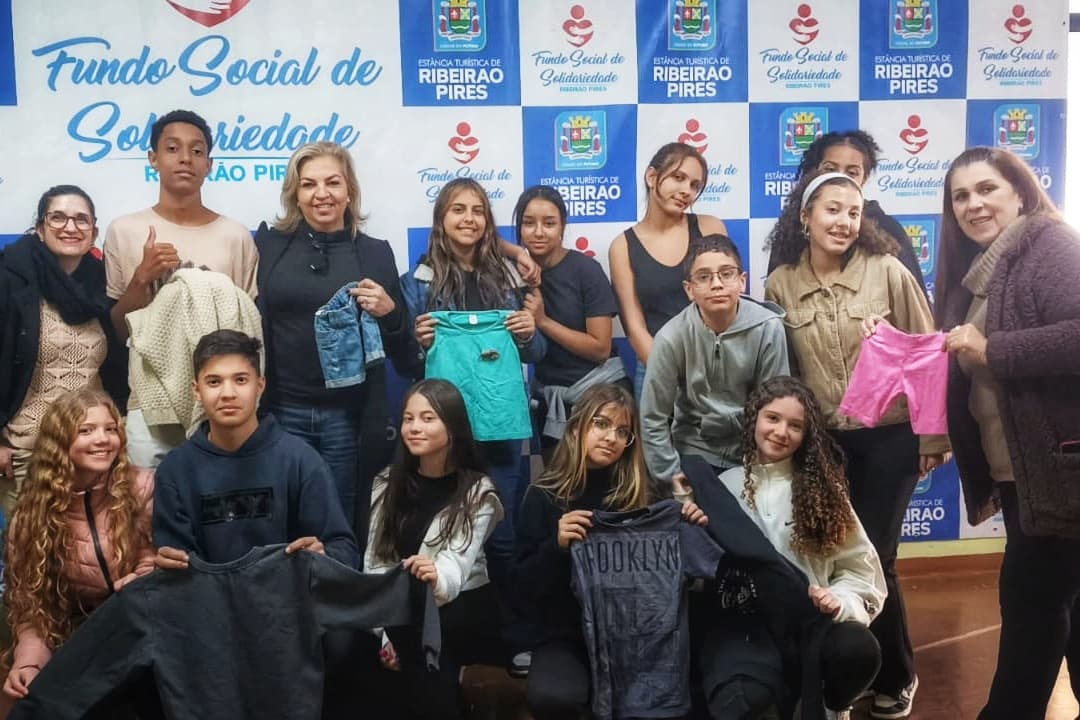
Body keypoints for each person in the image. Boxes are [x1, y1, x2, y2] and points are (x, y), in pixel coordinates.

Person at [765, 170, 950, 719]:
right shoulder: (781, 284)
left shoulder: (888, 270)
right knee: (829, 555)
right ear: (805, 217)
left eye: (854, 211)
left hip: (890, 437)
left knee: (876, 556)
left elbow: (927, 352)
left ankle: (896, 674)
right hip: (826, 442)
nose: (845, 221)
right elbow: (784, 372)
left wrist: (933, 435)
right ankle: (846, 673)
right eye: (833, 210)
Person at [936, 146, 1080, 720]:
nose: (972, 204)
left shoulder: (1049, 244)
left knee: (1030, 605)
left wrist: (994, 350)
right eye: (960, 196)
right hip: (1025, 471)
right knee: (1062, 603)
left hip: (1060, 470)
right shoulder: (981, 271)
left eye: (986, 188)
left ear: (1020, 191)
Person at [516, 383, 707, 720]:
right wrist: (556, 548)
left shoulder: (646, 497)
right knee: (551, 696)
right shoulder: (543, 495)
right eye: (601, 424)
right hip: (567, 636)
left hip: (637, 638)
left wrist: (689, 524)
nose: (611, 438)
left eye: (623, 432)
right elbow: (522, 589)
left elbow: (686, 576)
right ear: (576, 427)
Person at [400, 178, 546, 592]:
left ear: (488, 221)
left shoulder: (510, 277)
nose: (469, 219)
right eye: (458, 210)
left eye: (478, 210)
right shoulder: (418, 282)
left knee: (502, 534)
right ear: (441, 219)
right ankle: (451, 619)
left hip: (500, 425)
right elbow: (406, 362)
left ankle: (509, 625)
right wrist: (418, 343)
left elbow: (537, 353)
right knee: (443, 533)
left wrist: (529, 333)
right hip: (443, 430)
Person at [255, 141, 409, 533]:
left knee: (339, 522)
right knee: (283, 521)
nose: (321, 194)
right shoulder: (268, 246)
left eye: (332, 183)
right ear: (295, 194)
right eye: (309, 184)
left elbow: (406, 352)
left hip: (347, 416)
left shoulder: (375, 253)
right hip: (280, 411)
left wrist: (390, 312)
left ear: (349, 191)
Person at [716, 376, 885, 717]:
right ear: (754, 418)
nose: (781, 432)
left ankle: (835, 706)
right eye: (773, 418)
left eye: (796, 426)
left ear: (807, 434)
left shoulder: (825, 491)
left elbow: (862, 570)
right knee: (746, 698)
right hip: (751, 629)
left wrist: (839, 601)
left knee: (857, 649)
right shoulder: (724, 486)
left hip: (811, 625)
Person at [103, 109, 258, 468]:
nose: (185, 158)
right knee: (147, 500)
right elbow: (118, 329)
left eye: (197, 151)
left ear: (210, 164)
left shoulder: (236, 236)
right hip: (149, 404)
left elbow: (247, 329)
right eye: (172, 148)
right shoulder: (124, 230)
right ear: (153, 158)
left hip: (220, 404)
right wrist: (143, 277)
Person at [152, 330, 358, 569]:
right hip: (207, 593)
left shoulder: (301, 461)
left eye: (240, 380)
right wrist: (167, 567)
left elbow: (345, 551)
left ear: (260, 385)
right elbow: (174, 562)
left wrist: (324, 554)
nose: (228, 394)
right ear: (197, 390)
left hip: (286, 592)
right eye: (214, 382)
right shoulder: (174, 471)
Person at [363, 378, 503, 719]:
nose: (414, 427)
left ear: (452, 427)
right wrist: (385, 634)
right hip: (400, 606)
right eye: (408, 419)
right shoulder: (386, 482)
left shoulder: (478, 490)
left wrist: (434, 577)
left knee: (428, 640)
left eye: (428, 418)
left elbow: (456, 567)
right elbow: (376, 563)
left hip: (460, 601)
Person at [3, 388, 155, 700]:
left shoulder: (142, 486)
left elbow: (155, 556)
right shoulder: (32, 515)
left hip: (144, 623)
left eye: (110, 429)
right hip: (83, 636)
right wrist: (28, 662)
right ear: (59, 442)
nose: (102, 439)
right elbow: (32, 605)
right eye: (86, 431)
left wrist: (140, 581)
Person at [0, 186, 128, 518]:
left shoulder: (102, 286)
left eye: (81, 220)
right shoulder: (10, 279)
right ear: (40, 228)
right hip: (29, 451)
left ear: (94, 232)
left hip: (94, 450)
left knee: (93, 546)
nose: (70, 227)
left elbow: (116, 367)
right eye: (58, 217)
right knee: (33, 546)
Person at [640, 233, 788, 491]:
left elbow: (776, 410)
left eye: (726, 274)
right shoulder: (671, 337)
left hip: (752, 453)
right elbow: (652, 417)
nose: (717, 284)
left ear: (742, 281)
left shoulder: (768, 328)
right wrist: (670, 474)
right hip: (694, 452)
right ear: (689, 289)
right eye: (704, 277)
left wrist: (765, 469)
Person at [608, 142, 729, 397]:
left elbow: (730, 305)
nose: (687, 191)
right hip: (654, 368)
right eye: (678, 178)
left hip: (714, 366)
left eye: (695, 185)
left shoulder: (710, 228)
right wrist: (671, 376)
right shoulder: (622, 246)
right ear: (652, 177)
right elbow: (635, 328)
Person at [513, 185, 624, 454]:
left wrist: (543, 321)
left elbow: (600, 348)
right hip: (549, 398)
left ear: (563, 226)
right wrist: (516, 253)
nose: (539, 232)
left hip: (599, 395)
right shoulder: (514, 272)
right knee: (558, 480)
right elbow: (485, 240)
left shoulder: (585, 270)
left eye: (549, 223)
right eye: (529, 223)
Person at [767, 130, 929, 304]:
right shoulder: (790, 235)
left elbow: (916, 310)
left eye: (852, 172)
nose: (840, 177)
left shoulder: (888, 232)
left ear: (864, 178)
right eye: (830, 169)